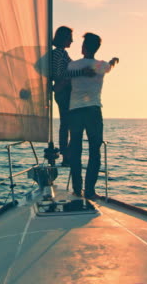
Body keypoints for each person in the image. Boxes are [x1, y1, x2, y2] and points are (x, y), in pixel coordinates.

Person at [67, 33, 119, 199]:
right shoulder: (102, 65)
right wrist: (113, 60)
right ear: (96, 48)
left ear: (84, 47)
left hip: (75, 110)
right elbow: (110, 66)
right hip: (93, 111)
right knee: (94, 150)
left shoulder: (73, 66)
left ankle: (77, 188)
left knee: (75, 149)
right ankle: (89, 190)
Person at [51, 26, 94, 165]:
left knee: (69, 123)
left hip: (65, 92)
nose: (72, 40)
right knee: (68, 124)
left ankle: (66, 155)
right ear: (63, 38)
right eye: (70, 37)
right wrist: (81, 72)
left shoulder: (61, 53)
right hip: (64, 93)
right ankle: (66, 155)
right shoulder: (59, 53)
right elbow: (59, 74)